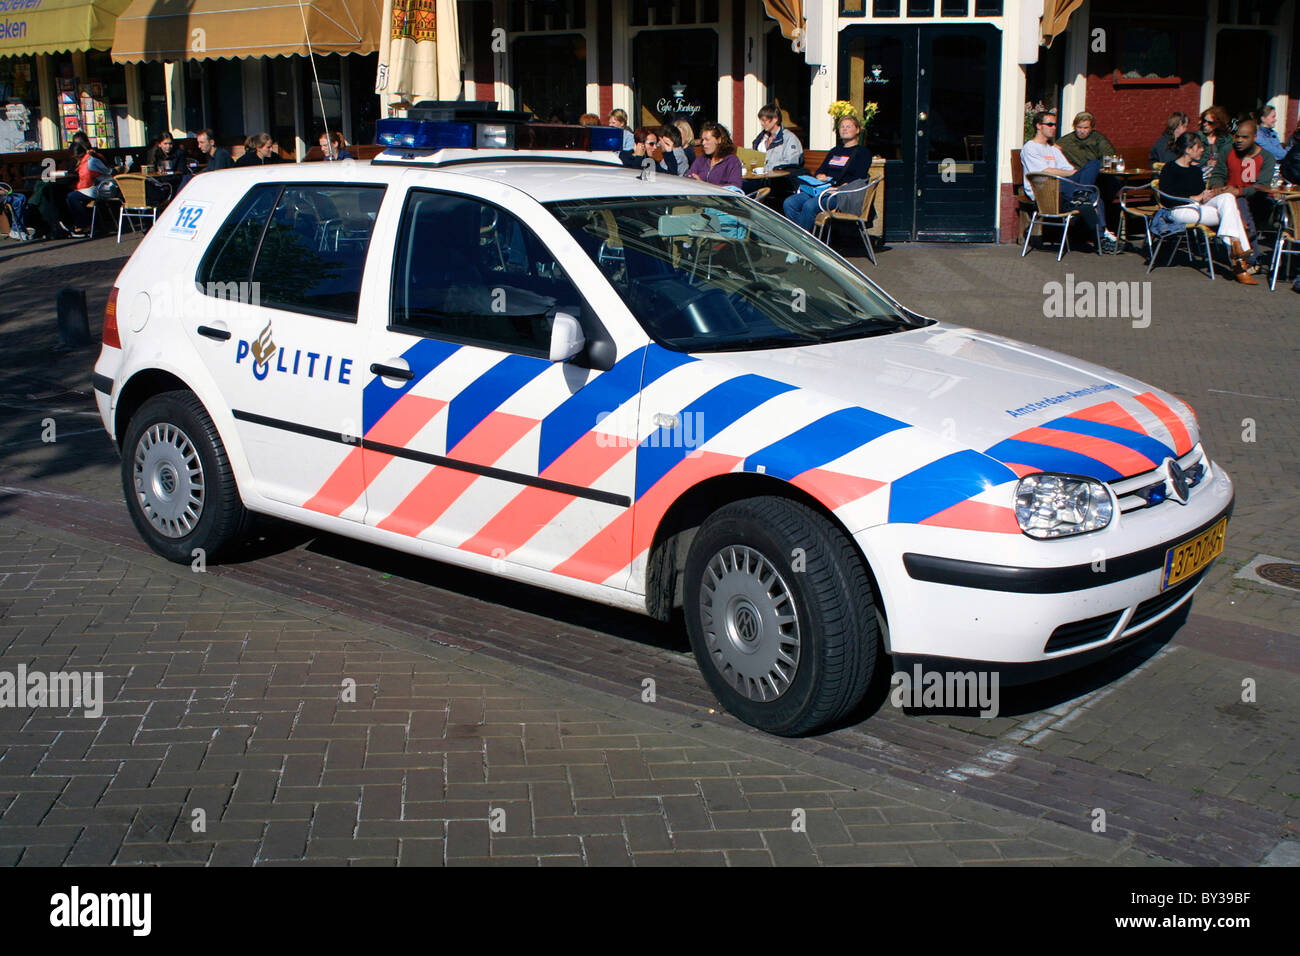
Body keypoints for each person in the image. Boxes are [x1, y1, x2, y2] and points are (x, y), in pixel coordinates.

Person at [1158, 132, 1257, 284]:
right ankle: (1239, 255)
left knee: (1228, 197)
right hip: (1179, 210)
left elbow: (1200, 193)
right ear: (1188, 149)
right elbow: (1166, 195)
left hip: (1199, 208)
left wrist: (1207, 195)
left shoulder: (1196, 170)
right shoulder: (1169, 168)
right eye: (1199, 147)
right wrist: (1193, 198)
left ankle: (1236, 248)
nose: (1203, 150)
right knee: (1232, 215)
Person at [1020, 109, 1120, 253]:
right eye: (1049, 124)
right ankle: (1102, 236)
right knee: (1092, 194)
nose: (1054, 127)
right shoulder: (1030, 148)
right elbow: (1045, 172)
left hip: (1063, 188)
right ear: (1038, 126)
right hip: (1046, 192)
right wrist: (1069, 174)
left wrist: (1072, 174)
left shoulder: (1053, 149)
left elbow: (1069, 169)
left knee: (1094, 164)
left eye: (1055, 124)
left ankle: (1081, 195)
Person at [782, 114, 874, 232]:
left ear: (857, 130)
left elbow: (859, 178)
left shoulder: (863, 153)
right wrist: (820, 176)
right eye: (842, 127)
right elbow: (821, 170)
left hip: (841, 194)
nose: (844, 129)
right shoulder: (835, 151)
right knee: (789, 203)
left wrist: (839, 188)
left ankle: (802, 242)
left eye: (848, 126)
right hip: (822, 189)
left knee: (809, 206)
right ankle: (803, 238)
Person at [1223, 119, 1274, 249]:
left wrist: (1239, 192)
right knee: (1238, 203)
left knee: (1241, 203)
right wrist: (1217, 187)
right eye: (1237, 136)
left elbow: (1262, 185)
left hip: (1256, 200)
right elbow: (1218, 174)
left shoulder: (1267, 157)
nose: (1239, 140)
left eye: (1245, 137)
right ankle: (1251, 259)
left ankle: (1246, 254)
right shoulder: (1228, 151)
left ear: (1255, 137)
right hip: (1228, 198)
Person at [65, 142, 113, 237]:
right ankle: (83, 224)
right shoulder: (85, 161)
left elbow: (107, 173)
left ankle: (85, 225)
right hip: (94, 188)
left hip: (102, 188)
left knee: (72, 197)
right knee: (70, 197)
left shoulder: (91, 161)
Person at [685, 122, 744, 190]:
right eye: (702, 140)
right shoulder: (701, 160)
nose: (703, 143)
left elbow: (735, 188)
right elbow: (688, 180)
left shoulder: (732, 161)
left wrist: (704, 185)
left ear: (719, 140)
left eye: (707, 139)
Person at [751, 103, 804, 170]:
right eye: (760, 120)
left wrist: (767, 167)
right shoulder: (761, 138)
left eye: (764, 120)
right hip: (760, 176)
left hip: (779, 177)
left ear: (775, 119)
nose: (761, 124)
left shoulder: (789, 138)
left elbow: (791, 163)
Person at [1197, 105, 1231, 187]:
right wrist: (1206, 163)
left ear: (1218, 124)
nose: (1205, 124)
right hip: (1200, 176)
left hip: (1219, 176)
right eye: (1204, 120)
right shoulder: (1197, 137)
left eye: (1210, 122)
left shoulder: (1226, 139)